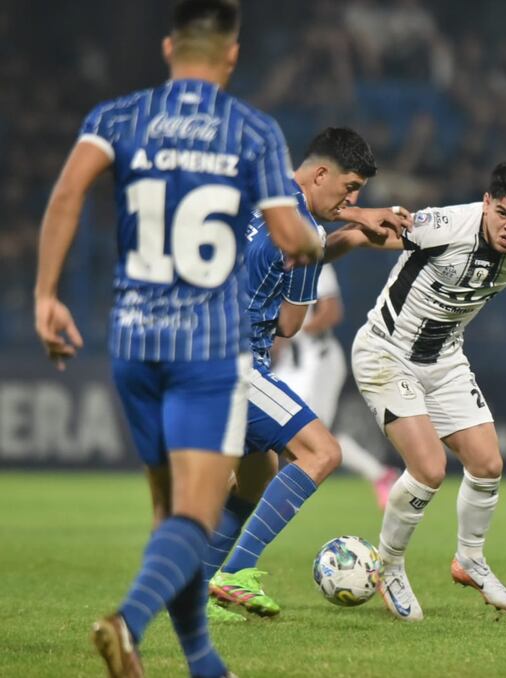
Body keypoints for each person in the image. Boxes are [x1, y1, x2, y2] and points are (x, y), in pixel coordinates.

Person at [34, 1, 323, 675]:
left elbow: (67, 194)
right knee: (196, 515)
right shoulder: (252, 131)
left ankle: (202, 660)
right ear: (232, 56)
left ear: (169, 48)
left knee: (169, 512)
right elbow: (290, 238)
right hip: (207, 349)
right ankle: (127, 621)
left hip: (133, 339)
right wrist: (320, 239)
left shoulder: (117, 117)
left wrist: (46, 294)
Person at [324, 162, 506, 622]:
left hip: (444, 360)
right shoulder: (443, 226)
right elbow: (374, 235)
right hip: (386, 352)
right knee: (428, 468)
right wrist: (320, 248)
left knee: (488, 463)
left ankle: (469, 559)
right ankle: (388, 566)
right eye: (503, 214)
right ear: (487, 202)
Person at [204, 127, 410, 619]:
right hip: (234, 361)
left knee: (257, 476)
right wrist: (340, 235)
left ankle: (196, 592)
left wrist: (353, 226)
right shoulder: (304, 233)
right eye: (349, 187)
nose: (352, 198)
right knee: (322, 452)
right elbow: (291, 325)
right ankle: (236, 574)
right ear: (321, 174)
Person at [271, 263, 400, 510]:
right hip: (290, 365)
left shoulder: (311, 257)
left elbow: (331, 312)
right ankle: (380, 474)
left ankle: (379, 475)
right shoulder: (263, 256)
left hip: (319, 358)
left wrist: (295, 332)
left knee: (312, 434)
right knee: (305, 433)